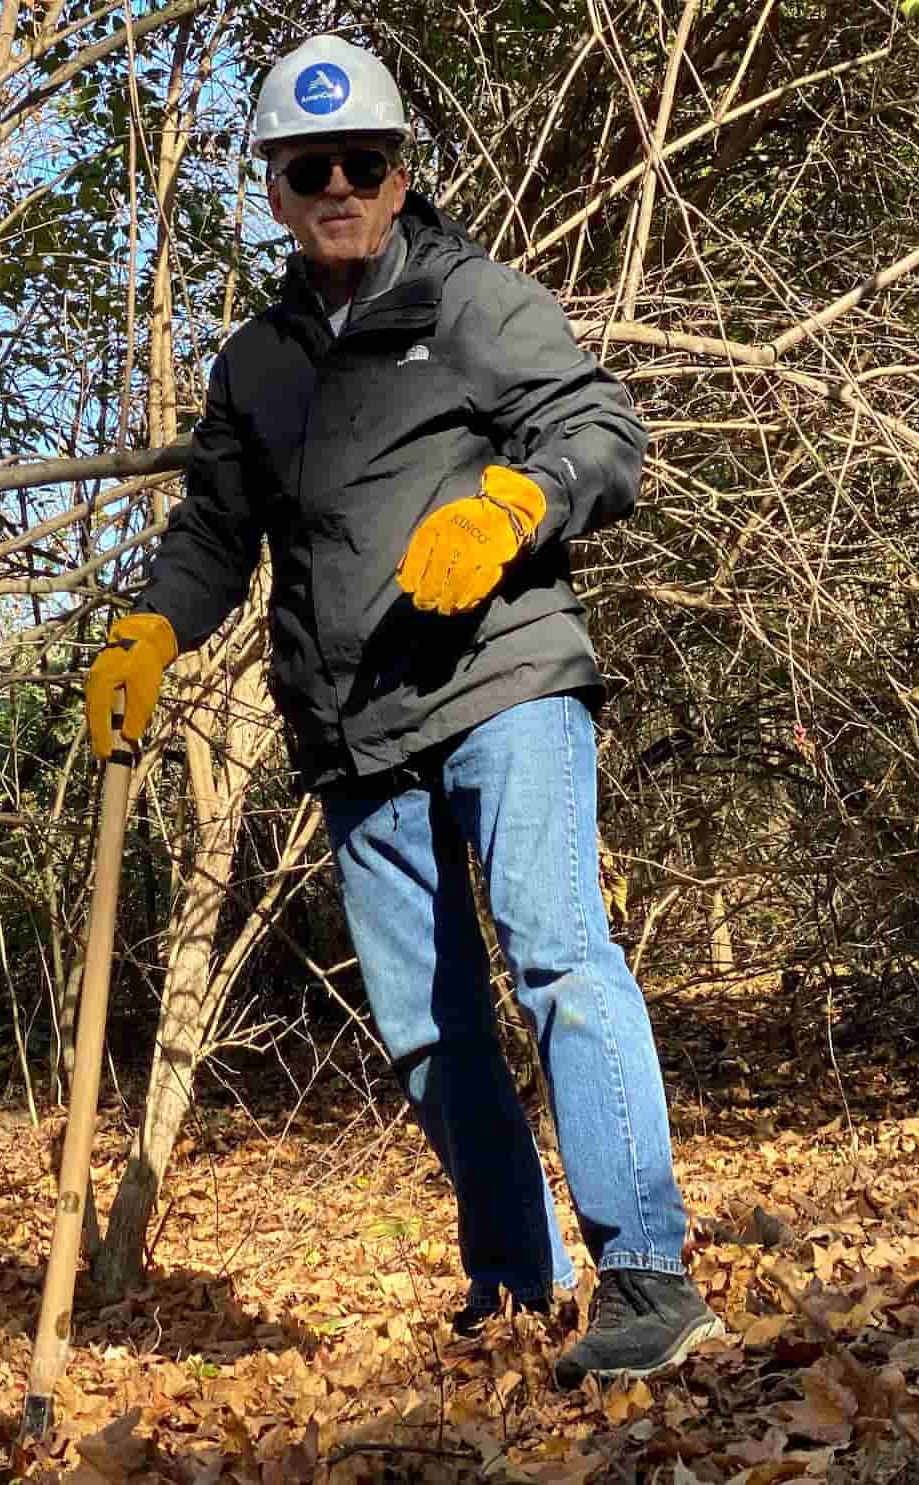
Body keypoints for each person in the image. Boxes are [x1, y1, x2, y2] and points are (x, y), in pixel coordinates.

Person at [83, 34, 721, 1389]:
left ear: (399, 172)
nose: (338, 187)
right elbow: (215, 531)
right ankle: (515, 1282)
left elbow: (601, 429)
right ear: (272, 188)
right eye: (308, 168)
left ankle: (649, 1277)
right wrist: (153, 627)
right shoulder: (256, 367)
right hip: (355, 731)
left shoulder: (474, 301)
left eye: (361, 163)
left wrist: (512, 504)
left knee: (555, 956)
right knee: (430, 1025)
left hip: (504, 684)